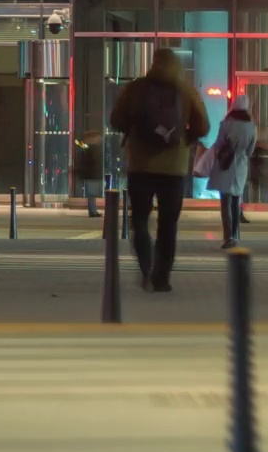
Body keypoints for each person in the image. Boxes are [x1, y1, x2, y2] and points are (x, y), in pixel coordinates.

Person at [109, 48, 210, 292]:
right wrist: (185, 137)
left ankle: (146, 267)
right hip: (173, 168)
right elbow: (203, 126)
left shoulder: (136, 88)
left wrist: (134, 131)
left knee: (141, 220)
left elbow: (115, 119)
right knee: (168, 224)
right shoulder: (185, 90)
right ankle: (162, 277)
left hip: (140, 164)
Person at [206, 95, 257, 249]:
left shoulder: (226, 124)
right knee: (236, 201)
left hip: (225, 164)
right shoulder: (251, 126)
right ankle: (236, 234)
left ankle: (228, 237)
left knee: (225, 202)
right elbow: (250, 150)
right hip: (241, 165)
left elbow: (219, 144)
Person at [74, 130, 103, 218]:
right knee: (91, 194)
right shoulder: (90, 149)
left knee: (92, 194)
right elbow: (89, 163)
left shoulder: (89, 148)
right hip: (90, 175)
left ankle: (93, 210)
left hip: (90, 174)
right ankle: (92, 211)